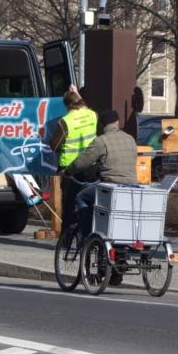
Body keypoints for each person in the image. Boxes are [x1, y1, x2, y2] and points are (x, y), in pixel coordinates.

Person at [64, 109, 139, 241]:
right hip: (131, 187)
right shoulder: (130, 139)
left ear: (102, 125)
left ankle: (87, 237)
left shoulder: (101, 141)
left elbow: (83, 161)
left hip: (110, 186)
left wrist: (68, 171)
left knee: (81, 197)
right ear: (117, 122)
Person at [50, 84, 98, 230]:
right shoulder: (92, 114)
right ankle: (87, 235)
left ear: (66, 106)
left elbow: (56, 146)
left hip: (70, 170)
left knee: (69, 204)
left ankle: (66, 240)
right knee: (88, 201)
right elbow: (85, 107)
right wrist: (77, 94)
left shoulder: (65, 121)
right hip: (91, 166)